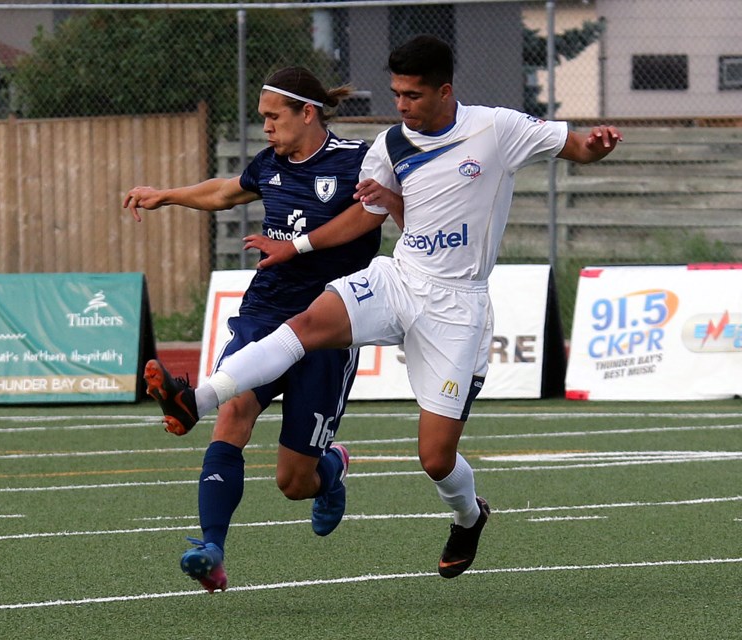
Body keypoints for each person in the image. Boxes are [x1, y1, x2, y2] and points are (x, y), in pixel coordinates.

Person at [145, 35, 623, 579]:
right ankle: (196, 400)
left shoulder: (498, 129)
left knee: (435, 458)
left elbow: (575, 146)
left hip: (456, 306)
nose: (401, 106)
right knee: (304, 324)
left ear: (445, 91)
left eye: (413, 95)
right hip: (399, 277)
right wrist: (300, 245)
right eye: (396, 93)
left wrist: (596, 146)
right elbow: (367, 215)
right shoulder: (391, 143)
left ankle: (469, 516)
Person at [123, 66, 401, 593]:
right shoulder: (270, 163)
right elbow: (227, 192)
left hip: (331, 323)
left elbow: (370, 217)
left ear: (307, 112)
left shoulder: (358, 159)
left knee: (293, 482)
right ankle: (211, 550)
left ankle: (331, 472)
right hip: (266, 311)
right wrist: (167, 196)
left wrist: (295, 246)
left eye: (274, 117)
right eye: (263, 119)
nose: (267, 128)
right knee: (234, 410)